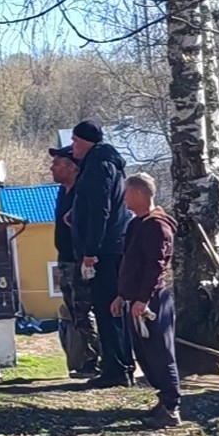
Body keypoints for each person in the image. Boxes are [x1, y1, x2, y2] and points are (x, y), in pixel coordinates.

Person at [66, 120, 132, 387]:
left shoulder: (97, 165)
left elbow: (100, 209)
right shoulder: (107, 163)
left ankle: (116, 368)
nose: (73, 146)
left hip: (105, 250)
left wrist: (90, 250)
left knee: (107, 309)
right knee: (111, 308)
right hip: (112, 245)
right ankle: (121, 365)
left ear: (87, 141)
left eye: (75, 141)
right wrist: (76, 214)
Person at [112, 170, 180, 428]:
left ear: (139, 193)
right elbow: (131, 264)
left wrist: (143, 299)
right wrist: (122, 295)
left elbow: (155, 266)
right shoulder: (136, 224)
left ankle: (171, 407)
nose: (124, 198)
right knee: (145, 354)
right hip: (135, 300)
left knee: (160, 353)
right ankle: (163, 401)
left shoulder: (156, 226)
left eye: (127, 193)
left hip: (153, 301)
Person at [50, 146, 95, 375]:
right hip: (65, 259)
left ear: (72, 167)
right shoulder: (62, 192)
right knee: (74, 312)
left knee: (84, 310)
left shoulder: (81, 192)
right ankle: (85, 359)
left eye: (57, 163)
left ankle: (94, 360)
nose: (52, 168)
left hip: (80, 259)